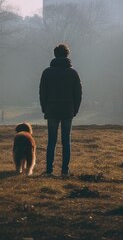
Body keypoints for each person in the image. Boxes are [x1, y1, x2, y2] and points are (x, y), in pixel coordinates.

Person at [39, 43, 82, 176]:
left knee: (51, 140)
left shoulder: (47, 72)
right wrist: (75, 109)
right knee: (66, 141)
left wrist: (44, 108)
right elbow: (78, 94)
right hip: (67, 110)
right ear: (67, 54)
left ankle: (49, 170)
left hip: (51, 109)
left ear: (55, 54)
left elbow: (42, 92)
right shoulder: (73, 73)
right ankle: (64, 171)